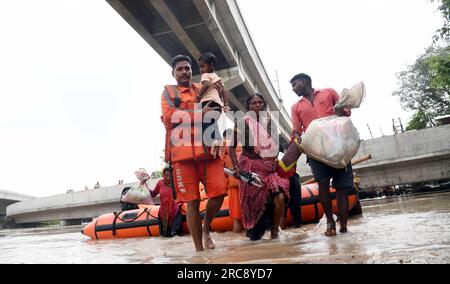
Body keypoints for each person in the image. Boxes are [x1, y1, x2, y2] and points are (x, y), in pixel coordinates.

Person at [160, 54, 227, 252]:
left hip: (207, 150)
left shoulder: (202, 87)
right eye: (180, 69)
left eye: (187, 68)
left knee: (219, 192)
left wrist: (218, 132)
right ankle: (199, 252)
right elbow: (170, 117)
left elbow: (216, 109)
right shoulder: (167, 92)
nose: (184, 72)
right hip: (182, 156)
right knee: (193, 201)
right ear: (173, 73)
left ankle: (206, 228)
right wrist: (200, 114)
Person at [290, 73, 352, 236]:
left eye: (295, 85)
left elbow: (347, 111)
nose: (293, 89)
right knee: (323, 184)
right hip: (316, 151)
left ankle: (344, 225)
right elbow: (296, 130)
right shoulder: (296, 107)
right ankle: (330, 222)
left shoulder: (329, 92)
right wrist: (296, 138)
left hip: (339, 146)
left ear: (304, 82)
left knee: (343, 188)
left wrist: (341, 110)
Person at [229, 94, 289, 241]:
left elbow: (274, 147)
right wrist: (236, 167)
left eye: (260, 102)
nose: (258, 105)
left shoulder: (270, 123)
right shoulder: (242, 123)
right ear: (248, 107)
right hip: (249, 167)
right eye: (254, 103)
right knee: (253, 204)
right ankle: (254, 230)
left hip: (269, 168)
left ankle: (275, 230)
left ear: (265, 105)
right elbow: (231, 148)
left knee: (280, 196)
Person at [197, 52, 230, 157]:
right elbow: (225, 92)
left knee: (204, 123)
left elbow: (206, 84)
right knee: (213, 123)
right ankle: (217, 140)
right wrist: (226, 104)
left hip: (208, 103)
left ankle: (211, 143)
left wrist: (198, 95)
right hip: (218, 105)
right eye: (200, 67)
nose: (201, 70)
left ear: (211, 66)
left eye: (203, 66)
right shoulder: (217, 78)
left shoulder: (206, 75)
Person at [150, 167, 183, 237]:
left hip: (175, 211)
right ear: (164, 175)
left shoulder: (177, 182)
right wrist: (145, 187)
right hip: (163, 213)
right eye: (167, 176)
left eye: (171, 176)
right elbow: (153, 194)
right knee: (163, 235)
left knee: (174, 234)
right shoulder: (160, 183)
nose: (169, 178)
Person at [221, 129, 243, 233]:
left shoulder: (223, 144)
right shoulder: (242, 143)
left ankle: (238, 243)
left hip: (234, 182)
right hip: (247, 182)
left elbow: (220, 165)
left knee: (237, 217)